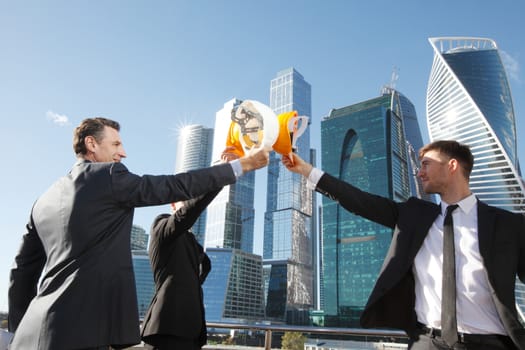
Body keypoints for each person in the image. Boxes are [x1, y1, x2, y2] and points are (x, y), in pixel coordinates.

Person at [8, 117, 270, 350]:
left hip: (33, 332)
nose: (123, 153)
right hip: (84, 331)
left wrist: (19, 327)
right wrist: (240, 166)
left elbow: (21, 271)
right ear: (92, 144)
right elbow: (173, 185)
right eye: (116, 144)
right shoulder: (109, 175)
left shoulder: (43, 200)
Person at [282, 140, 525, 350]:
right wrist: (306, 170)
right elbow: (360, 201)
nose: (420, 172)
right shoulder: (414, 214)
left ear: (452, 166)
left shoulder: (509, 225)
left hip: (491, 343)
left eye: (426, 164)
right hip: (426, 342)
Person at [141, 148, 239, 350]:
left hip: (192, 330)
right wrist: (222, 172)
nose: (190, 201)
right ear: (173, 204)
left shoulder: (192, 241)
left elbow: (207, 264)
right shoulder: (161, 225)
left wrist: (193, 284)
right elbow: (187, 213)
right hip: (166, 328)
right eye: (185, 198)